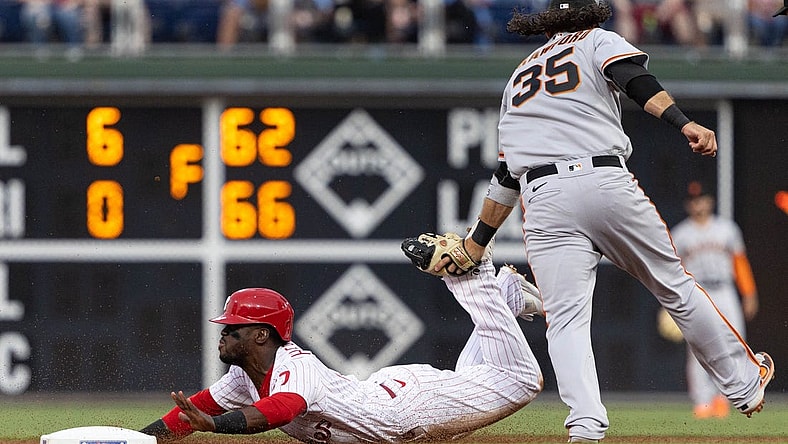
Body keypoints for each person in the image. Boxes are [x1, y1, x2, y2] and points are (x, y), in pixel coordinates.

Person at [429, 1, 775, 441]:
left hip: (543, 195)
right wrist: (682, 122)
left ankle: (586, 426)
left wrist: (475, 245)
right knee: (675, 285)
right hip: (602, 178)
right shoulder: (597, 41)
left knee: (565, 319)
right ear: (591, 15)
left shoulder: (519, 77)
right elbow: (634, 79)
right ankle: (744, 386)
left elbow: (505, 175)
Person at [139, 243, 544, 442]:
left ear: (262, 334)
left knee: (520, 380)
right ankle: (503, 294)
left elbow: (282, 410)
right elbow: (190, 414)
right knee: (480, 374)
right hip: (389, 402)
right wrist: (140, 440)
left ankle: (475, 273)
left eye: (233, 327)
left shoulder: (293, 367)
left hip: (412, 410)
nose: (223, 333)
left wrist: (214, 427)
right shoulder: (243, 376)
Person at [671, 181, 760, 419]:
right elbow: (673, 271)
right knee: (698, 347)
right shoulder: (680, 234)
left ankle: (725, 398)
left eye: (701, 199)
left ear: (710, 201)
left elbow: (739, 263)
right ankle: (702, 402)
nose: (697, 204)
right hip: (698, 293)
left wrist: (749, 292)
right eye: (693, 201)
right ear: (687, 204)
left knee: (736, 343)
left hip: (725, 290)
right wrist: (669, 303)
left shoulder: (727, 229)